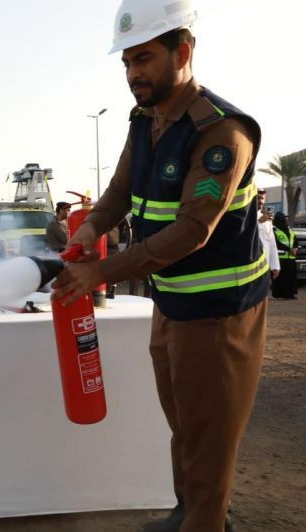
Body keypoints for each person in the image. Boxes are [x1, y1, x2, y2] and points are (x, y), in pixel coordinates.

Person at [52, 2, 267, 530]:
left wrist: (100, 273)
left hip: (218, 314)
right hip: (171, 301)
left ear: (183, 52)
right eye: (126, 62)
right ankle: (186, 513)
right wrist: (91, 226)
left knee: (208, 437)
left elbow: (194, 230)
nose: (133, 75)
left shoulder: (221, 133)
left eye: (144, 59)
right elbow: (121, 189)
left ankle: (204, 521)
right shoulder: (146, 119)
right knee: (184, 423)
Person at [271, 211, 298, 299]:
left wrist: (295, 248)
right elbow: (276, 243)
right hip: (280, 258)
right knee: (282, 278)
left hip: (291, 258)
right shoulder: (273, 230)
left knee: (291, 277)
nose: (284, 220)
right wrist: (289, 249)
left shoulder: (289, 229)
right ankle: (280, 294)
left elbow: (295, 240)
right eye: (283, 219)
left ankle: (290, 294)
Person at [256, 189, 281, 283]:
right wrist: (258, 222)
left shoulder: (267, 219)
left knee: (264, 294)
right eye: (258, 198)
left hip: (264, 264)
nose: (260, 201)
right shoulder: (244, 216)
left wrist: (275, 266)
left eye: (262, 198)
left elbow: (272, 243)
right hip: (250, 266)